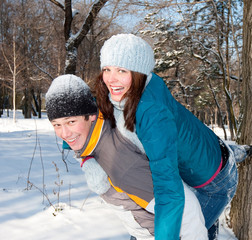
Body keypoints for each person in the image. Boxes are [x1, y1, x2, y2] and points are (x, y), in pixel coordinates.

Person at [95, 34, 252, 240]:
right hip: (208, 145)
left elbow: (168, 189)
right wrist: (70, 134)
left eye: (121, 70)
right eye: (107, 69)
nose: (111, 78)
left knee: (183, 232)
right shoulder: (142, 84)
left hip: (214, 184)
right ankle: (237, 151)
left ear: (138, 72)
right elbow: (81, 113)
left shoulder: (153, 115)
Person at [45, 74, 208, 240]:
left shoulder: (121, 164)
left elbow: (187, 211)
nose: (64, 133)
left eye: (71, 122)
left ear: (91, 115)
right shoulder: (97, 129)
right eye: (57, 125)